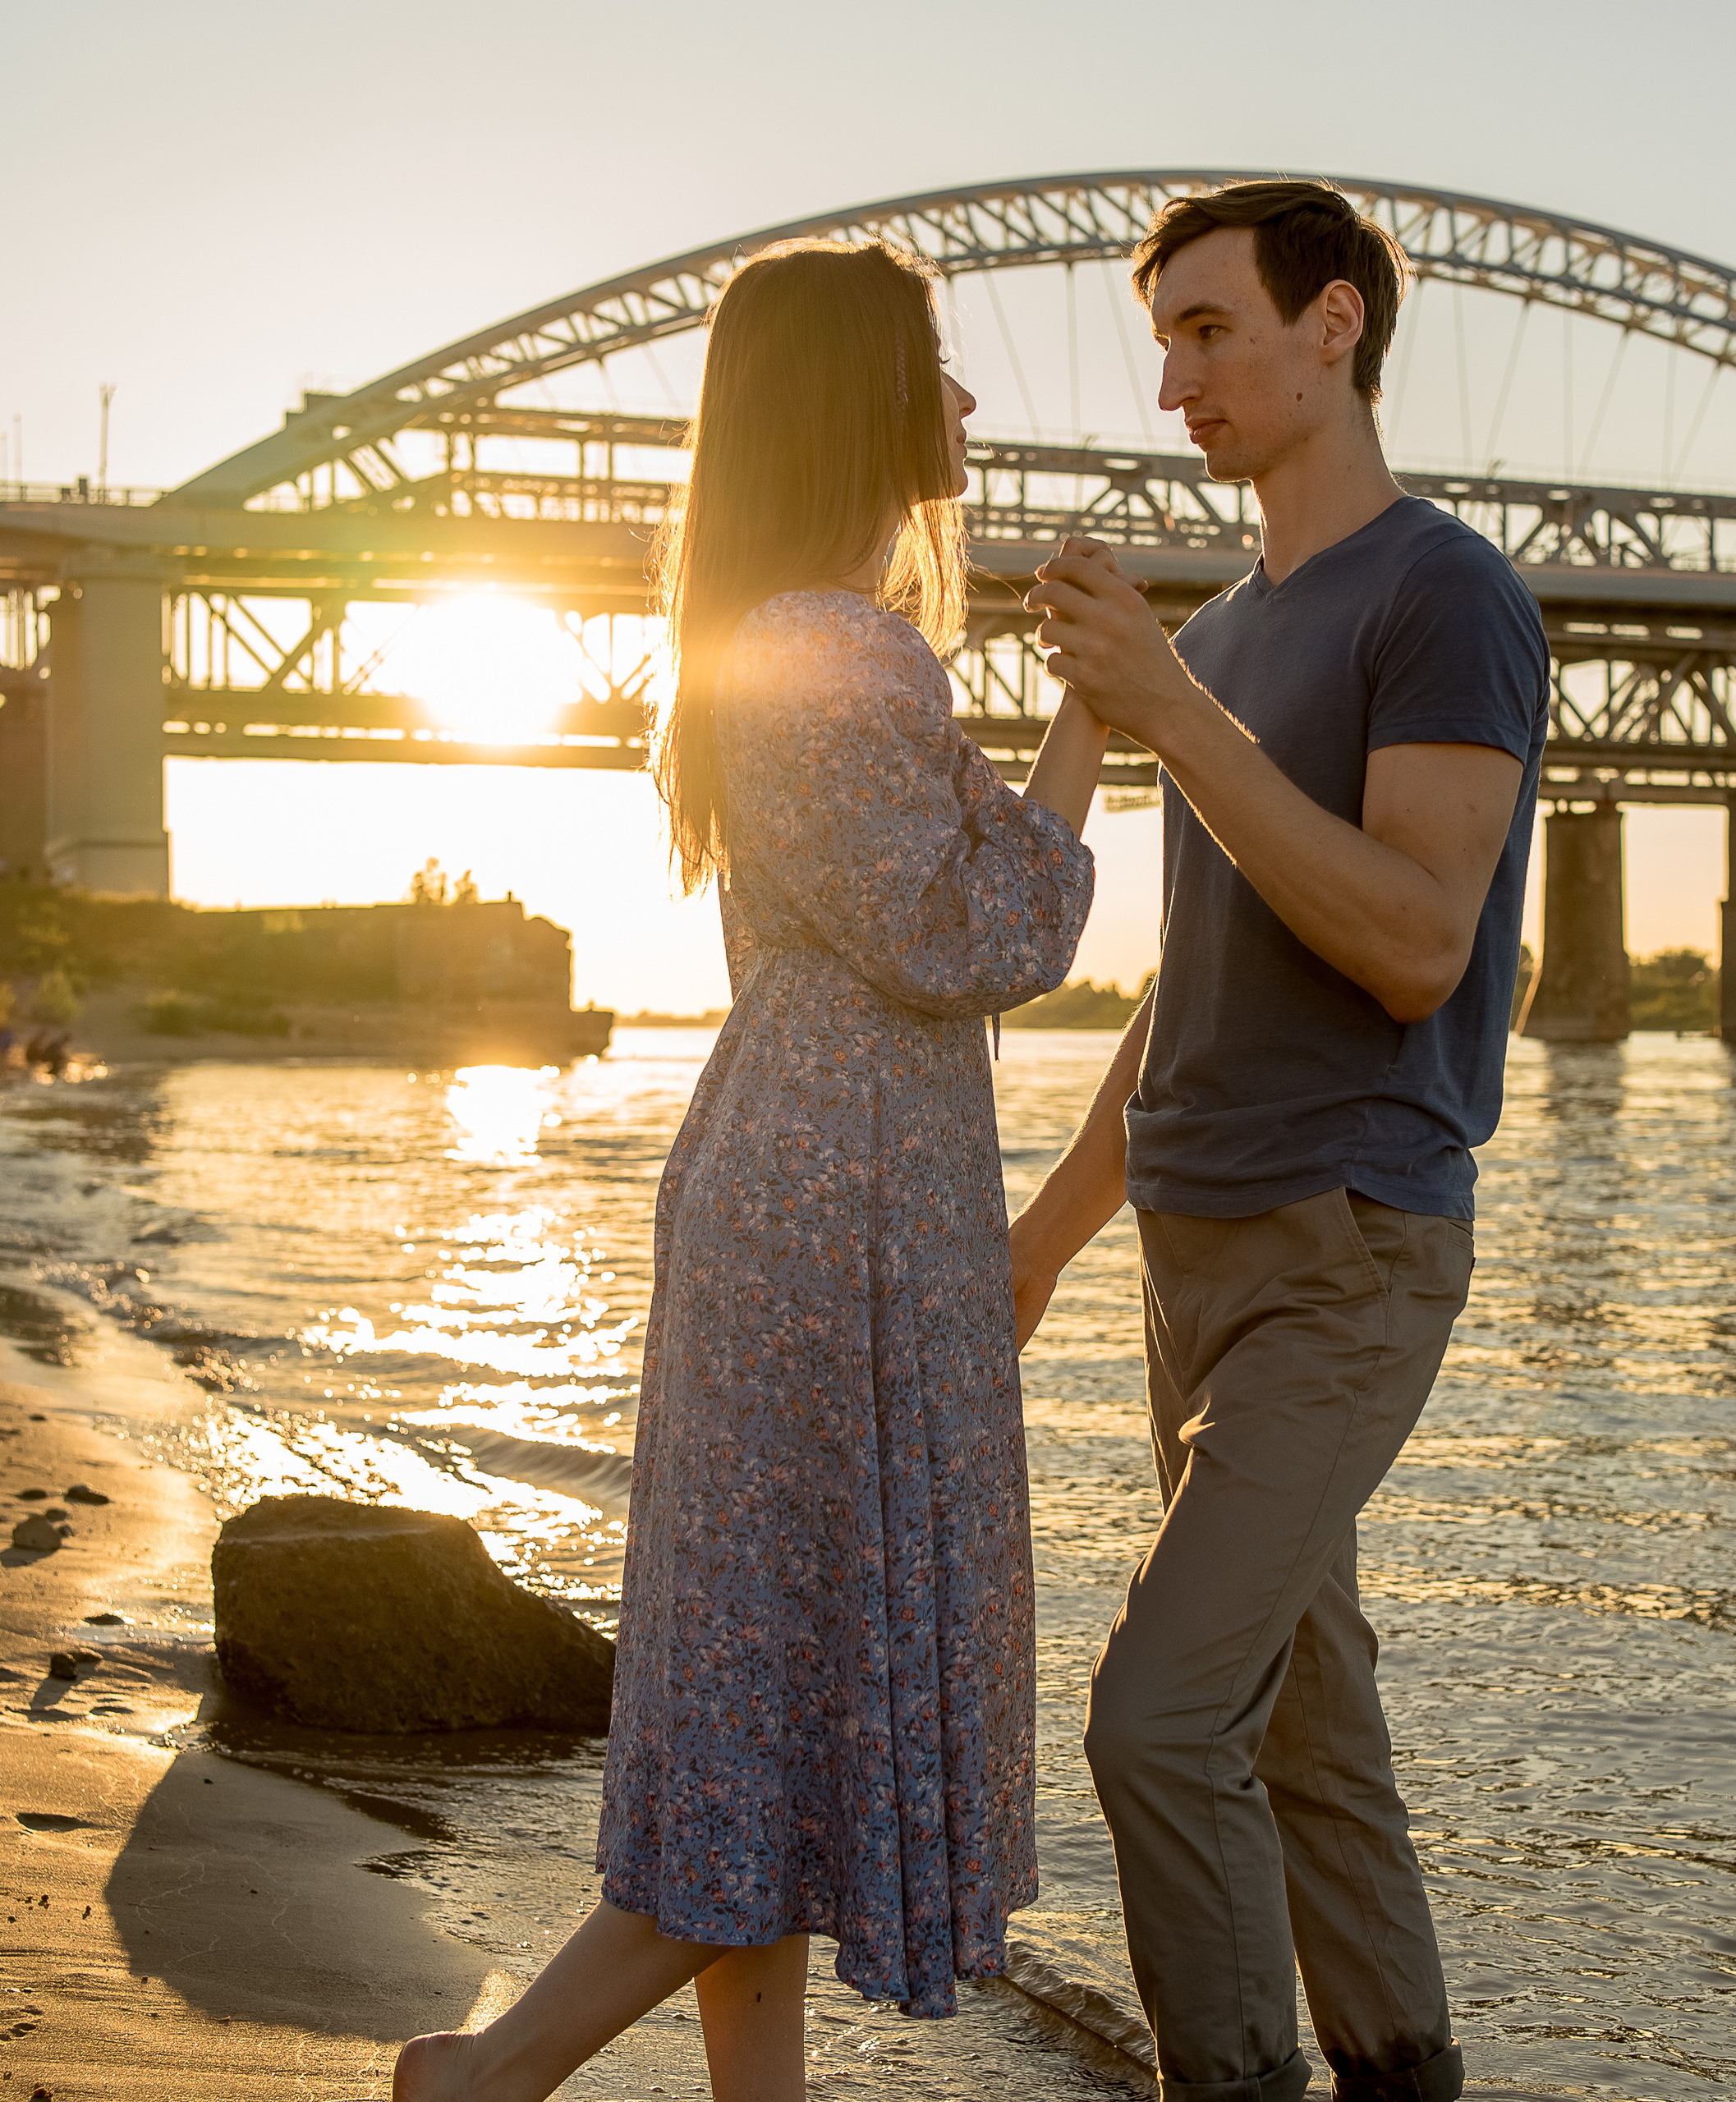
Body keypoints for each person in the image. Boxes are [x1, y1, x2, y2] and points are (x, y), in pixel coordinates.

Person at [396, 238, 1109, 2102]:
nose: (964, 404)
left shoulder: (786, 635)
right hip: (843, 1202)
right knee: (779, 1712)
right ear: (854, 397)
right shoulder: (835, 647)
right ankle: (482, 2080)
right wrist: (1100, 718)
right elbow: (975, 932)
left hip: (808, 1172)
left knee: (768, 1698)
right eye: (934, 369)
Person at [1013, 181, 1550, 2102]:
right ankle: (1403, 2070)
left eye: (1209, 329)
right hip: (1190, 1256)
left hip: (1346, 1244)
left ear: (1332, 327)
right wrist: (1045, 1234)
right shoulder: (1230, 631)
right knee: (1306, 1726)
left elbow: (1413, 938)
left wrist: (1166, 716)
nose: (1172, 381)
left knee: (1156, 1722)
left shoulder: (1442, 593)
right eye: (1160, 340)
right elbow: (1194, 991)